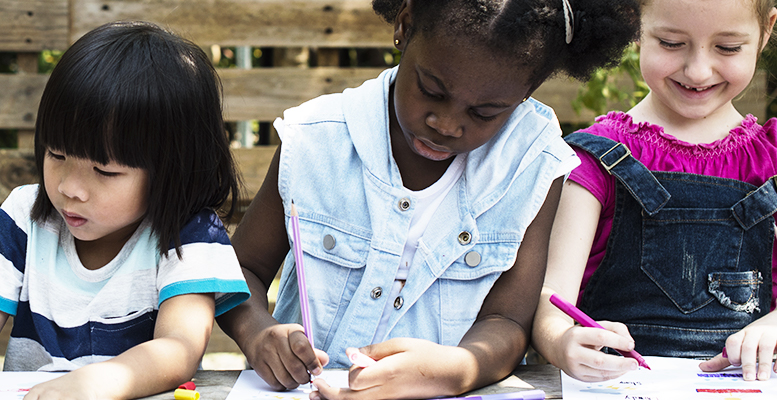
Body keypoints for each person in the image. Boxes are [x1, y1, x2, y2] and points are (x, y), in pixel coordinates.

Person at [214, 0, 643, 398]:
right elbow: (243, 269)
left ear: (529, 89)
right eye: (432, 91)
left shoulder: (533, 165)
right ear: (404, 25)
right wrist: (257, 332)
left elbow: (509, 320)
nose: (447, 124)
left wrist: (454, 370)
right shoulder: (314, 139)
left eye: (485, 113)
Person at [0, 21, 250, 400]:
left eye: (105, 170)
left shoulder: (190, 233)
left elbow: (178, 348)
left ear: (172, 170)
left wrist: (95, 383)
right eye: (57, 154)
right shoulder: (26, 216)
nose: (69, 188)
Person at [532, 0, 777, 383]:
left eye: (727, 48)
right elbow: (550, 300)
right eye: (671, 43)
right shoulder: (595, 157)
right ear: (634, 25)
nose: (698, 70)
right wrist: (560, 341)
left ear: (765, 31)